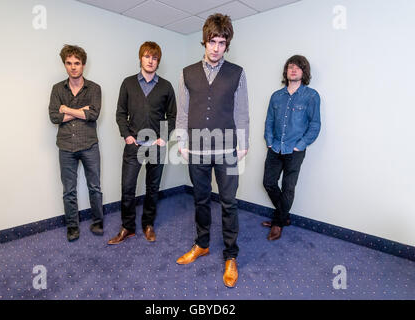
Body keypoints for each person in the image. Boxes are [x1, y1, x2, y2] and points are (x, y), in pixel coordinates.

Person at [175, 14, 249, 288]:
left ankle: (230, 255)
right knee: (201, 199)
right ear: (204, 41)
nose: (216, 47)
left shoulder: (237, 73)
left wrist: (243, 143)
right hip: (197, 149)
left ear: (227, 44)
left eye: (222, 42)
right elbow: (182, 112)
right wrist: (181, 142)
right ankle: (202, 244)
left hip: (228, 148)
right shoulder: (187, 73)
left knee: (229, 202)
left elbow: (242, 111)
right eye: (212, 41)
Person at [108, 41, 177, 245]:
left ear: (158, 61)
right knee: (128, 188)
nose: (150, 61)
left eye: (154, 58)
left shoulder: (166, 86)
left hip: (156, 147)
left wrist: (163, 138)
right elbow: (120, 113)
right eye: (147, 56)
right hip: (134, 146)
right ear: (141, 58)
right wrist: (127, 136)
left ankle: (148, 225)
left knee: (152, 188)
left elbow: (172, 116)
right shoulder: (128, 83)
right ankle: (127, 227)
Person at [262, 55, 321, 241]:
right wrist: (269, 141)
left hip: (295, 150)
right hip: (275, 147)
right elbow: (269, 121)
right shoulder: (276, 96)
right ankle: (283, 216)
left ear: (304, 72)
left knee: (288, 187)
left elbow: (315, 124)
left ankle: (278, 223)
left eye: (298, 67)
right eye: (290, 67)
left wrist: (300, 145)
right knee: (268, 182)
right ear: (286, 71)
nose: (293, 70)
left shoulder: (311, 96)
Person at [49, 45, 104, 242]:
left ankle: (98, 222)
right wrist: (81, 111)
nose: (73, 67)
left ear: (83, 65)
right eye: (69, 63)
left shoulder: (94, 88)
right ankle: (72, 227)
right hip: (65, 146)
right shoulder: (57, 89)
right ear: (65, 64)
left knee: (95, 187)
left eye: (77, 63)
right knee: (69, 191)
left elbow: (93, 114)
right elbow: (54, 117)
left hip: (89, 145)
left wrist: (67, 109)